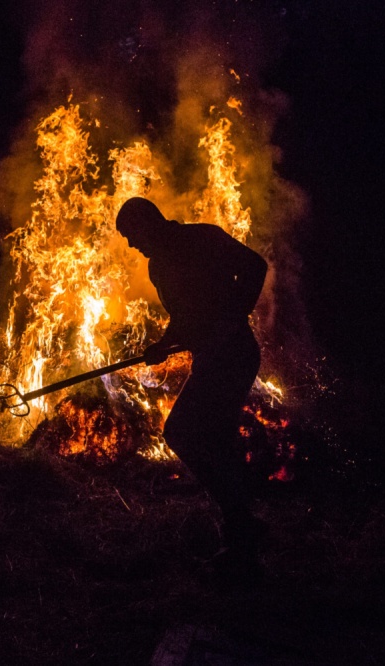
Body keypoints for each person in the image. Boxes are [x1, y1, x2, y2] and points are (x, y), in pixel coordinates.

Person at [115, 197, 269, 578]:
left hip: (234, 354)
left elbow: (255, 266)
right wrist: (162, 345)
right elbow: (184, 320)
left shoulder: (203, 238)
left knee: (181, 431)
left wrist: (234, 316)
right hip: (212, 359)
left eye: (132, 235)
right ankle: (243, 534)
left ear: (149, 223)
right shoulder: (157, 267)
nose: (132, 244)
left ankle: (242, 527)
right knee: (214, 441)